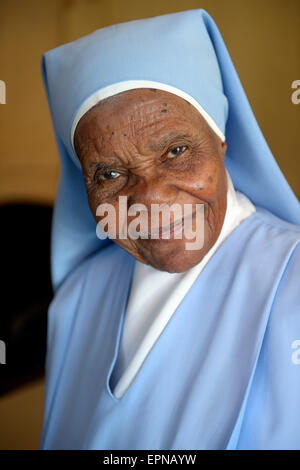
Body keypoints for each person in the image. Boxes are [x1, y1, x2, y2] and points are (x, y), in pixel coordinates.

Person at [39, 9, 300, 450]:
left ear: (220, 139)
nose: (150, 199)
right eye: (109, 174)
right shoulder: (79, 297)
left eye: (176, 150)